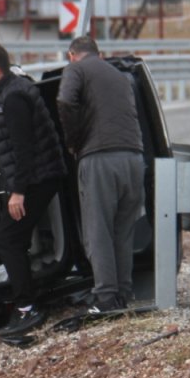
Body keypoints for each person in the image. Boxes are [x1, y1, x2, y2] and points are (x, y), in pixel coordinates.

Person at [0, 43, 68, 338]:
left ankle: (27, 307)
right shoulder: (9, 90)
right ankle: (27, 298)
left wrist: (18, 192)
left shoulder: (12, 99)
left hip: (36, 180)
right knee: (15, 237)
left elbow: (23, 151)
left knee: (8, 239)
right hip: (39, 177)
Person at [57, 36, 145, 313]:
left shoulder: (75, 70)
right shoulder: (119, 76)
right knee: (122, 230)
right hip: (133, 158)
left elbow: (64, 101)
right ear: (99, 53)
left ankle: (106, 298)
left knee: (98, 231)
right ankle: (123, 293)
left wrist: (74, 140)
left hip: (99, 157)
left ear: (72, 55)